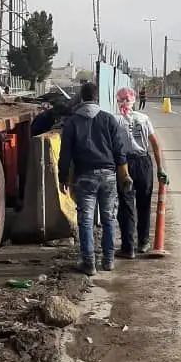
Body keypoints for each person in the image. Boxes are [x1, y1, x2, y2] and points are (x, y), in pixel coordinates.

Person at [58, 80, 131, 276]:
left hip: (84, 177)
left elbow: (65, 154)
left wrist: (62, 177)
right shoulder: (108, 119)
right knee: (108, 218)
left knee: (86, 220)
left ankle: (89, 264)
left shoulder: (72, 121)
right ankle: (108, 261)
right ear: (96, 97)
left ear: (81, 98)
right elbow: (119, 150)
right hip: (108, 176)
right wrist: (124, 174)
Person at [115, 87, 168, 257]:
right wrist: (160, 168)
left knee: (126, 206)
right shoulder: (144, 119)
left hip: (124, 164)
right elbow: (155, 144)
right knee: (144, 204)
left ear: (118, 102)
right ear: (134, 101)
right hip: (144, 163)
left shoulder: (115, 121)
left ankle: (128, 247)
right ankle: (143, 242)